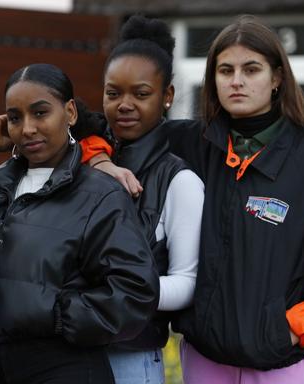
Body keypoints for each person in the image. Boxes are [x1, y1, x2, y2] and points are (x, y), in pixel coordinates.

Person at [91, 15, 304, 383]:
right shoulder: (188, 144)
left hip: (288, 361)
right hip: (206, 358)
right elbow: (96, 124)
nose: (237, 81)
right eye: (225, 70)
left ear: (277, 77)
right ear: (213, 79)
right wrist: (99, 157)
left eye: (251, 69)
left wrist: (294, 328)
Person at [0, 63, 159, 384]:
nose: (27, 128)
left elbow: (135, 291)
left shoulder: (99, 194)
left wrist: (59, 315)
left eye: (40, 113)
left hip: (65, 367)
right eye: (15, 117)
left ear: (69, 113)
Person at [99, 16, 203, 384]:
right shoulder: (85, 161)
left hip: (132, 358)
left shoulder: (180, 181)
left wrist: (109, 292)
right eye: (113, 93)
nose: (124, 105)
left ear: (167, 96)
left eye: (140, 94)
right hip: (69, 355)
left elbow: (187, 282)